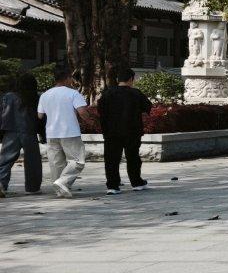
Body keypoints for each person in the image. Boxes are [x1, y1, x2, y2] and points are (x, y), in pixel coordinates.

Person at [97, 66, 152, 195]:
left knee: (111, 159)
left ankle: (112, 186)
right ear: (131, 79)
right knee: (133, 157)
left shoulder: (107, 94)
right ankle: (136, 183)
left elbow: (100, 111)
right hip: (132, 131)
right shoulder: (136, 93)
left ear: (117, 79)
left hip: (111, 132)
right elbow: (147, 108)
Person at [36, 67, 88, 198]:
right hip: (70, 132)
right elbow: (82, 112)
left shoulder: (45, 95)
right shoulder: (73, 93)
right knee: (78, 161)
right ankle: (63, 182)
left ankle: (60, 190)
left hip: (52, 133)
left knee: (56, 163)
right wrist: (91, 121)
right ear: (67, 78)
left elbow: (40, 115)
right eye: (71, 78)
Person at [0, 72, 44, 197]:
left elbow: (2, 114)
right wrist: (42, 133)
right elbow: (40, 117)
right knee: (33, 161)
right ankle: (32, 188)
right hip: (29, 131)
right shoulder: (35, 97)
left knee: (5, 159)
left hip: (10, 131)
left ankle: (1, 183)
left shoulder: (8, 96)